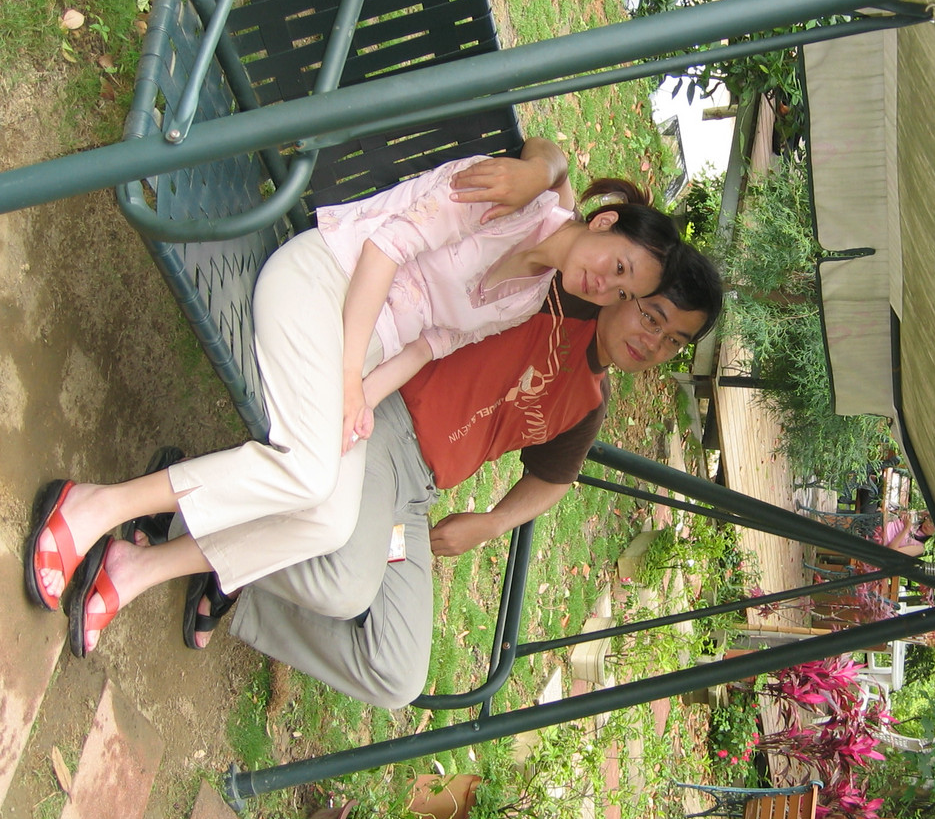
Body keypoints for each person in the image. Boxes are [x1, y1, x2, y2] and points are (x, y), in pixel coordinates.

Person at [22, 140, 681, 656]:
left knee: (328, 522)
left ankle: (134, 568)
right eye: (618, 265)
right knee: (308, 474)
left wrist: (362, 397)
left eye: (623, 292)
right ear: (604, 222)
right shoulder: (509, 196)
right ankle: (95, 505)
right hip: (323, 281)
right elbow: (384, 248)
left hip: (359, 352)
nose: (605, 286)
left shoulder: (529, 298)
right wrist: (345, 375)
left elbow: (432, 342)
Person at [202, 247, 724, 707]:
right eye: (652, 317)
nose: (654, 343)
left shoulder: (590, 402)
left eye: (673, 341)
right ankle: (197, 523)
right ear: (628, 289)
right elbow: (545, 202)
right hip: (384, 424)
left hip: (412, 498)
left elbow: (555, 479)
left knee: (397, 674)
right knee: (345, 586)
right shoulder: (556, 292)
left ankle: (245, 590)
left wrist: (493, 523)